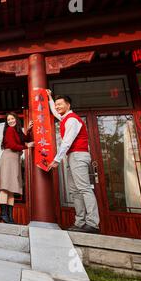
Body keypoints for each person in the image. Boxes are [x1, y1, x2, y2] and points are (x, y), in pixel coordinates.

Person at [46, 90, 100, 234]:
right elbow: (54, 112)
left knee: (84, 189)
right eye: (56, 105)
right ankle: (80, 222)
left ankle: (93, 223)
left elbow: (67, 142)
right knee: (75, 191)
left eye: (60, 104)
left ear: (68, 105)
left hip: (78, 155)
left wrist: (57, 159)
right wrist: (50, 98)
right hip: (72, 156)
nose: (57, 107)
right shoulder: (65, 118)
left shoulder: (72, 120)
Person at [0, 113, 34, 224]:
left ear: (16, 119)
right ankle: (3, 213)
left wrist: (29, 130)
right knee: (5, 187)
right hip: (9, 157)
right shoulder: (9, 131)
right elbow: (12, 145)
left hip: (15, 158)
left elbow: (24, 139)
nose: (11, 121)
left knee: (11, 189)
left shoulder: (17, 131)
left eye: (12, 118)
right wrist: (27, 146)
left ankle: (10, 216)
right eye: (8, 120)